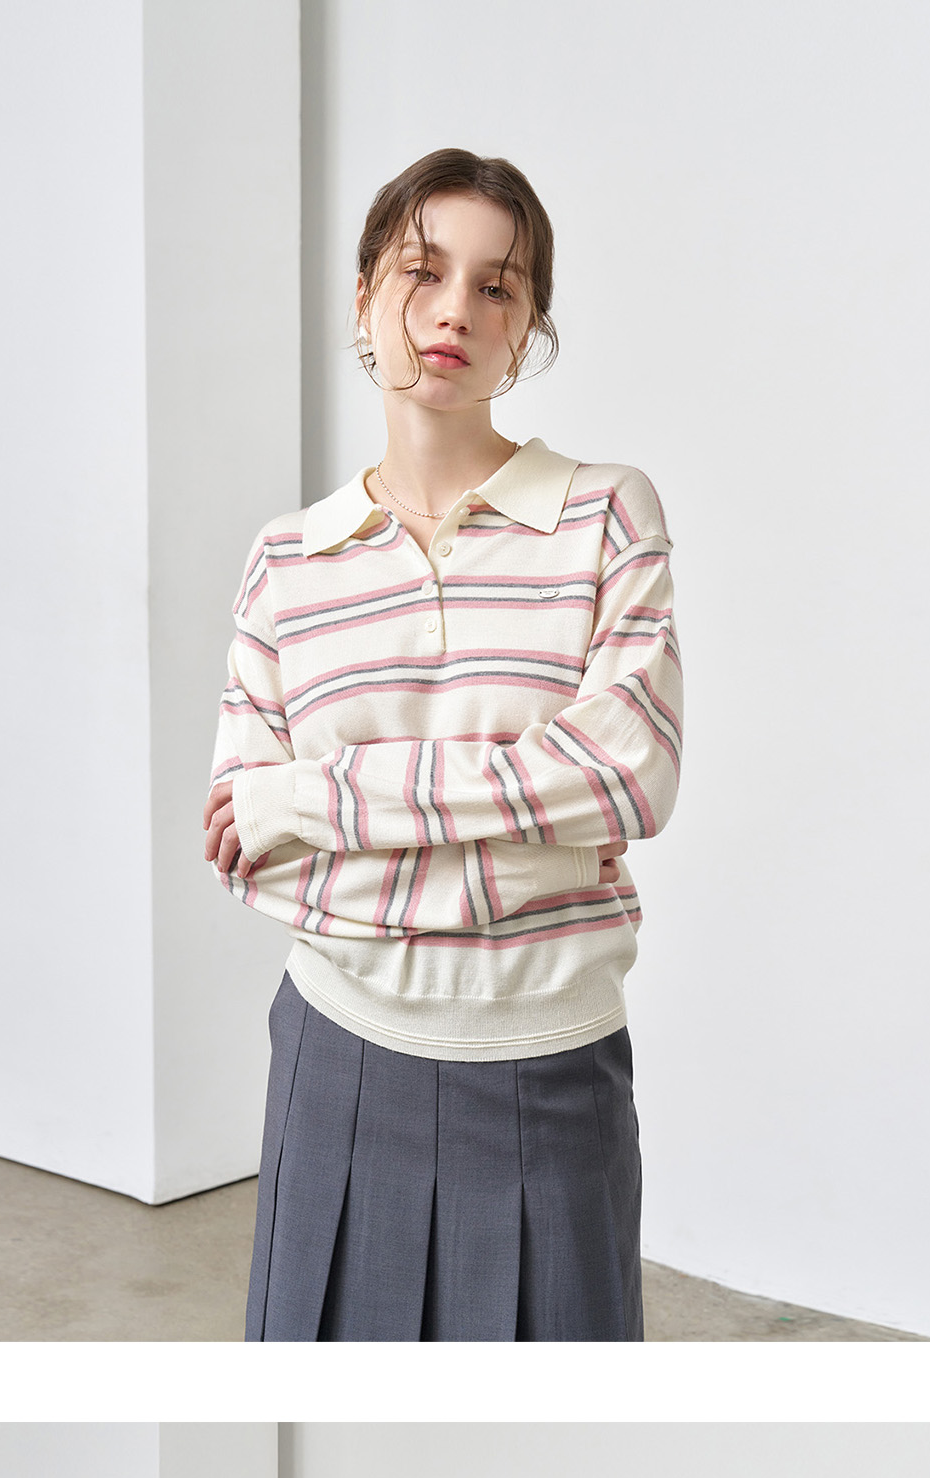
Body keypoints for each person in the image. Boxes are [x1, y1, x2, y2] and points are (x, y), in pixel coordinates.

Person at [204, 140, 681, 1343]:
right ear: (366, 291)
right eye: (422, 270)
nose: (454, 309)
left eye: (496, 285)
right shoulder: (286, 560)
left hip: (548, 1062)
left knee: (551, 1432)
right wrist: (529, 832)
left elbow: (629, 775)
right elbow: (249, 848)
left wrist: (316, 799)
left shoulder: (606, 514)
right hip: (336, 1057)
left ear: (528, 330)